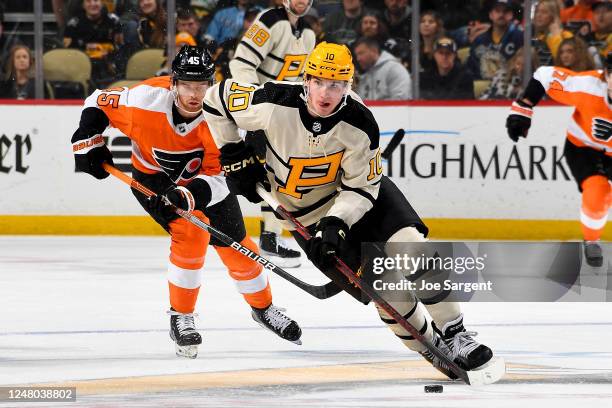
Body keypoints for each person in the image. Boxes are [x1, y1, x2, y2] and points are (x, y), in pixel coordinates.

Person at [202, 41, 499, 379]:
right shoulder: (272, 102)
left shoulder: (359, 122)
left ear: (348, 86)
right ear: (306, 80)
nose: (326, 93)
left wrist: (336, 221)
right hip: (307, 215)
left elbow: (362, 187)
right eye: (319, 82)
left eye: (336, 84)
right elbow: (216, 98)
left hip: (363, 199)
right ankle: (432, 346)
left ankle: (456, 334)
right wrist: (233, 152)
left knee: (413, 249)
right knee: (388, 293)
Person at [71, 45, 302, 358]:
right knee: (191, 233)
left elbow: (222, 179)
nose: (195, 94)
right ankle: (181, 316)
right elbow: (97, 101)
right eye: (187, 86)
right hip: (152, 178)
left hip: (207, 184)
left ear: (211, 84)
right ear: (173, 83)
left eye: (202, 86)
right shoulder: (143, 101)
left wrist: (190, 194)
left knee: (239, 247)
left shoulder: (221, 118)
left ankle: (264, 309)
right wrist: (89, 139)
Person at [229, 0, 317, 267]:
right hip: (263, 111)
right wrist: (258, 104)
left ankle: (270, 237)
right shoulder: (270, 21)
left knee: (281, 173)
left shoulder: (310, 33)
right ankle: (268, 237)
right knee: (269, 173)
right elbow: (241, 65)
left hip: (286, 113)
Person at [505, 52, 612, 267]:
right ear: (606, 76)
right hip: (583, 147)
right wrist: (524, 106)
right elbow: (545, 75)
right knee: (597, 192)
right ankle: (591, 239)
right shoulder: (588, 86)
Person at [466, 0, 523, 80]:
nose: (501, 14)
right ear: (491, 15)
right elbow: (471, 68)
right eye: (497, 11)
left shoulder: (520, 38)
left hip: (509, 85)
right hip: (482, 85)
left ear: (511, 15)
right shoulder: (479, 40)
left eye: (505, 11)